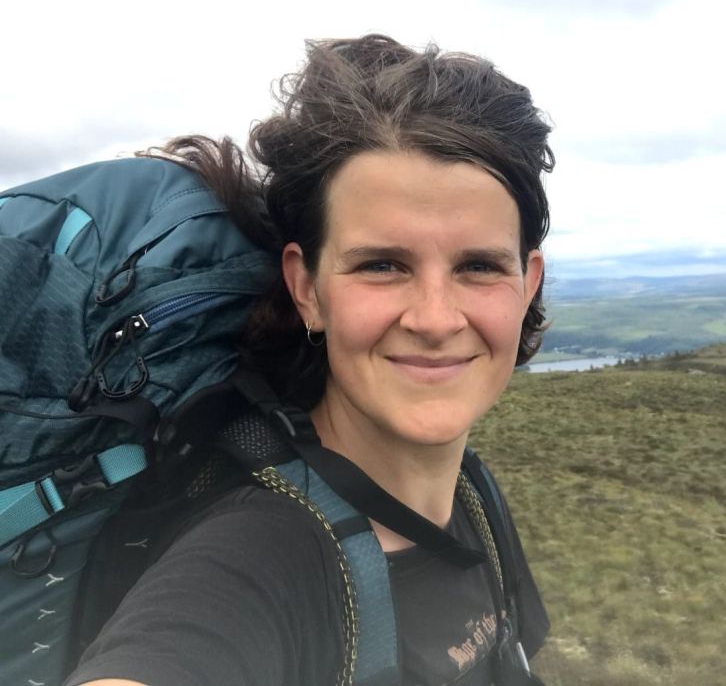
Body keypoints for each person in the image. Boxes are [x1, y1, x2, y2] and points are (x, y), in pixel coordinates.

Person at [65, 35, 553, 686]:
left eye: (480, 266)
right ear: (307, 289)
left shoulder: (475, 497)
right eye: (383, 265)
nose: (435, 319)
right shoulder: (252, 560)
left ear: (527, 283)